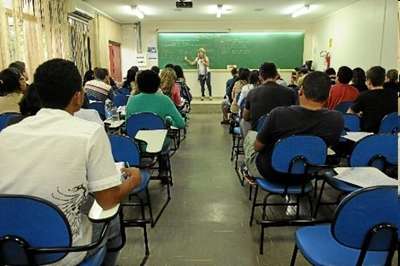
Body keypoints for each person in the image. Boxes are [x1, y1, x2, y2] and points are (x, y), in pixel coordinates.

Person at [0, 58, 141, 265]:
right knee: (111, 221)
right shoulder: (89, 133)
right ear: (78, 97)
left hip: (7, 249)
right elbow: (107, 200)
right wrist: (133, 180)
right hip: (62, 250)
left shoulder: (7, 134)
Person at [243, 71, 344, 184]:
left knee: (251, 136)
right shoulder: (337, 119)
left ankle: (248, 171)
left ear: (301, 91)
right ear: (328, 95)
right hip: (307, 174)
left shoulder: (278, 114)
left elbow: (258, 147)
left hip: (272, 172)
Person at [243, 62, 297, 130]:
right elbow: (294, 115)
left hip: (259, 134)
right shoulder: (290, 92)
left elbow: (245, 116)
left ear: (260, 77)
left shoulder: (252, 93)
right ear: (276, 75)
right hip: (283, 135)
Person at [349, 66, 397, 133]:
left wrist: (358, 115)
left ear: (369, 81)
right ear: (384, 79)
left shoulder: (364, 95)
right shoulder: (393, 95)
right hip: (390, 134)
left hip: (368, 135)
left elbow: (349, 114)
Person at [238, 70, 260, 137]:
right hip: (262, 118)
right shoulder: (265, 88)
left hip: (249, 116)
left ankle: (247, 141)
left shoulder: (245, 88)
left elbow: (239, 103)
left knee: (243, 122)